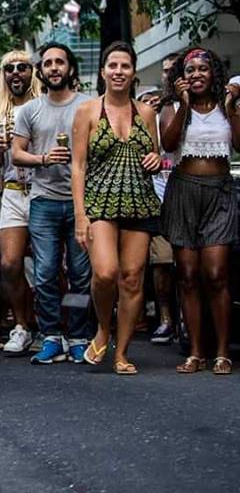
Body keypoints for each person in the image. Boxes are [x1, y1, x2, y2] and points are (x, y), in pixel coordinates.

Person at [71, 42, 162, 374]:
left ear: (133, 72)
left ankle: (122, 352)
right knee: (106, 273)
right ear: (103, 71)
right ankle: (103, 329)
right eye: (113, 65)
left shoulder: (147, 113)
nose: (119, 71)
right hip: (100, 204)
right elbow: (77, 166)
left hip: (139, 203)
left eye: (125, 66)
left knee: (133, 278)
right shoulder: (87, 112)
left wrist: (156, 160)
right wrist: (80, 215)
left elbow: (154, 156)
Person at [159, 46, 240, 375]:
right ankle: (195, 351)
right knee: (188, 276)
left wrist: (233, 106)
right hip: (183, 192)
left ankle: (222, 351)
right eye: (189, 71)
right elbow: (168, 144)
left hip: (219, 193)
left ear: (213, 73)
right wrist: (185, 107)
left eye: (202, 69)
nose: (196, 75)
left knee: (217, 274)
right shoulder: (173, 106)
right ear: (182, 77)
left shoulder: (227, 105)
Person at [11, 42, 92, 365]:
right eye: (48, 63)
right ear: (41, 71)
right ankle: (50, 336)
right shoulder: (30, 110)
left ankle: (78, 336)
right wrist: (43, 158)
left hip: (81, 202)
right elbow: (16, 153)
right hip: (43, 201)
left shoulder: (89, 105)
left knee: (79, 274)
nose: (54, 67)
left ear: (70, 68)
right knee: (44, 273)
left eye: (60, 62)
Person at [0, 50, 42, 356]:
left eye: (23, 67)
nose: (16, 73)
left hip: (43, 190)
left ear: (32, 72)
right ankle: (22, 325)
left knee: (49, 266)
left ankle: (50, 327)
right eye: (10, 68)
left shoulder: (43, 108)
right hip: (11, 191)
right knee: (9, 263)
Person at [138, 51, 180, 344]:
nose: (167, 75)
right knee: (162, 262)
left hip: (188, 196)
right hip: (158, 199)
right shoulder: (148, 112)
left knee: (192, 267)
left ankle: (188, 320)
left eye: (172, 70)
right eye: (164, 71)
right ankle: (165, 318)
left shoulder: (185, 108)